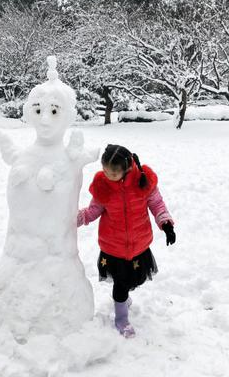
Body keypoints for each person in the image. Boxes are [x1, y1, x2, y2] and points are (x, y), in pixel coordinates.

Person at [77, 144, 175, 338]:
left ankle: (123, 299)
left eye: (113, 173)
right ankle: (121, 318)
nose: (107, 175)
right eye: (104, 171)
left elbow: (157, 204)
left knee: (135, 279)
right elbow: (93, 211)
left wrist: (166, 223)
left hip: (139, 244)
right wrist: (72, 220)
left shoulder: (143, 182)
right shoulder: (103, 187)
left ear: (127, 169)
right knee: (120, 286)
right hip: (113, 247)